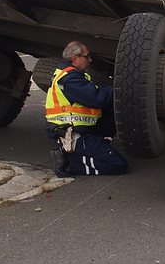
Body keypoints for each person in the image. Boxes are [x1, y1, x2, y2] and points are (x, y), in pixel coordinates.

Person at [45, 41, 127, 177]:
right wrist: (118, 87)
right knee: (118, 165)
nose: (90, 60)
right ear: (75, 58)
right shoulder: (70, 80)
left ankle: (96, 147)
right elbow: (98, 98)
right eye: (87, 56)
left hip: (83, 130)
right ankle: (67, 163)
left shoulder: (71, 74)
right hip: (75, 136)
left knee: (112, 108)